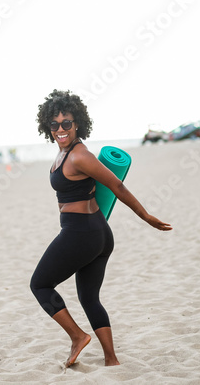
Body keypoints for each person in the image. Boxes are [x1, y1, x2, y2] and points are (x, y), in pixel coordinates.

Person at [30, 90, 172, 368]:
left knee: (40, 284)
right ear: (47, 126)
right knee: (88, 297)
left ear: (78, 124)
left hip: (82, 233)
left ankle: (77, 336)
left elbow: (116, 185)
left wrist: (145, 216)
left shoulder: (80, 155)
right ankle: (111, 359)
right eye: (55, 124)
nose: (60, 129)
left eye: (66, 123)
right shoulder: (64, 152)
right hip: (96, 233)